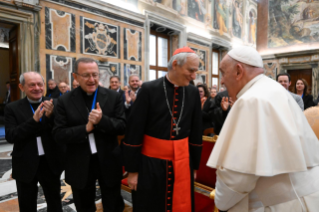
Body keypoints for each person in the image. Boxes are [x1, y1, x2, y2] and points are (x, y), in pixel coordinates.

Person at [207, 46, 319, 212]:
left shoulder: (251, 100)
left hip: (278, 205)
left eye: (223, 73)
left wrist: (221, 200)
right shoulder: (273, 90)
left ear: (238, 71)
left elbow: (238, 177)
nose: (222, 81)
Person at [123, 47, 203, 212]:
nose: (194, 76)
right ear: (175, 64)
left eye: (196, 71)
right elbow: (134, 130)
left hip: (182, 162)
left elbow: (196, 130)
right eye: (191, 70)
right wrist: (132, 170)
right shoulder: (149, 89)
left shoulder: (193, 92)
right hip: (150, 164)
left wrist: (194, 166)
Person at [53, 58, 125, 212]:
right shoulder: (64, 101)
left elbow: (123, 126)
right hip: (79, 162)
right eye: (86, 75)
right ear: (75, 77)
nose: (92, 79)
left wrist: (102, 121)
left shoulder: (114, 97)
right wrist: (85, 128)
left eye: (95, 74)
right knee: (84, 206)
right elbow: (58, 134)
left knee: (113, 205)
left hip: (108, 160)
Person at [5, 72, 64, 212]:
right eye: (32, 85)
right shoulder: (12, 108)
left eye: (39, 84)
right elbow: (11, 136)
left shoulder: (55, 104)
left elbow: (61, 132)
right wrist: (33, 121)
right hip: (25, 162)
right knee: (27, 204)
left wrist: (50, 117)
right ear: (21, 87)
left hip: (50, 162)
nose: (37, 88)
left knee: (55, 202)